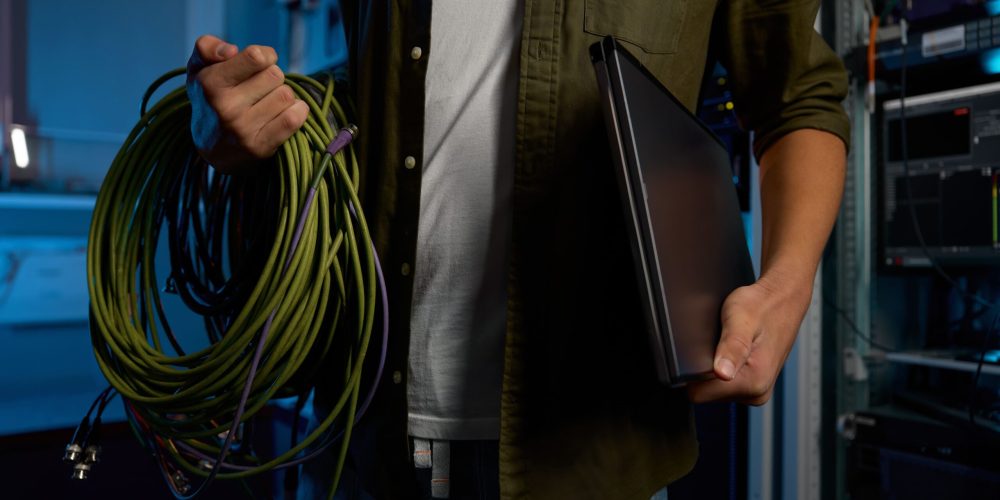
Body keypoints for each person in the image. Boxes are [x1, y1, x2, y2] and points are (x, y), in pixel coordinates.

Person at [186, 1, 849, 498]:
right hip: (363, 440)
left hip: (588, 452)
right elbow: (372, 94)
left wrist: (786, 287)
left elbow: (796, 98)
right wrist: (232, 114)